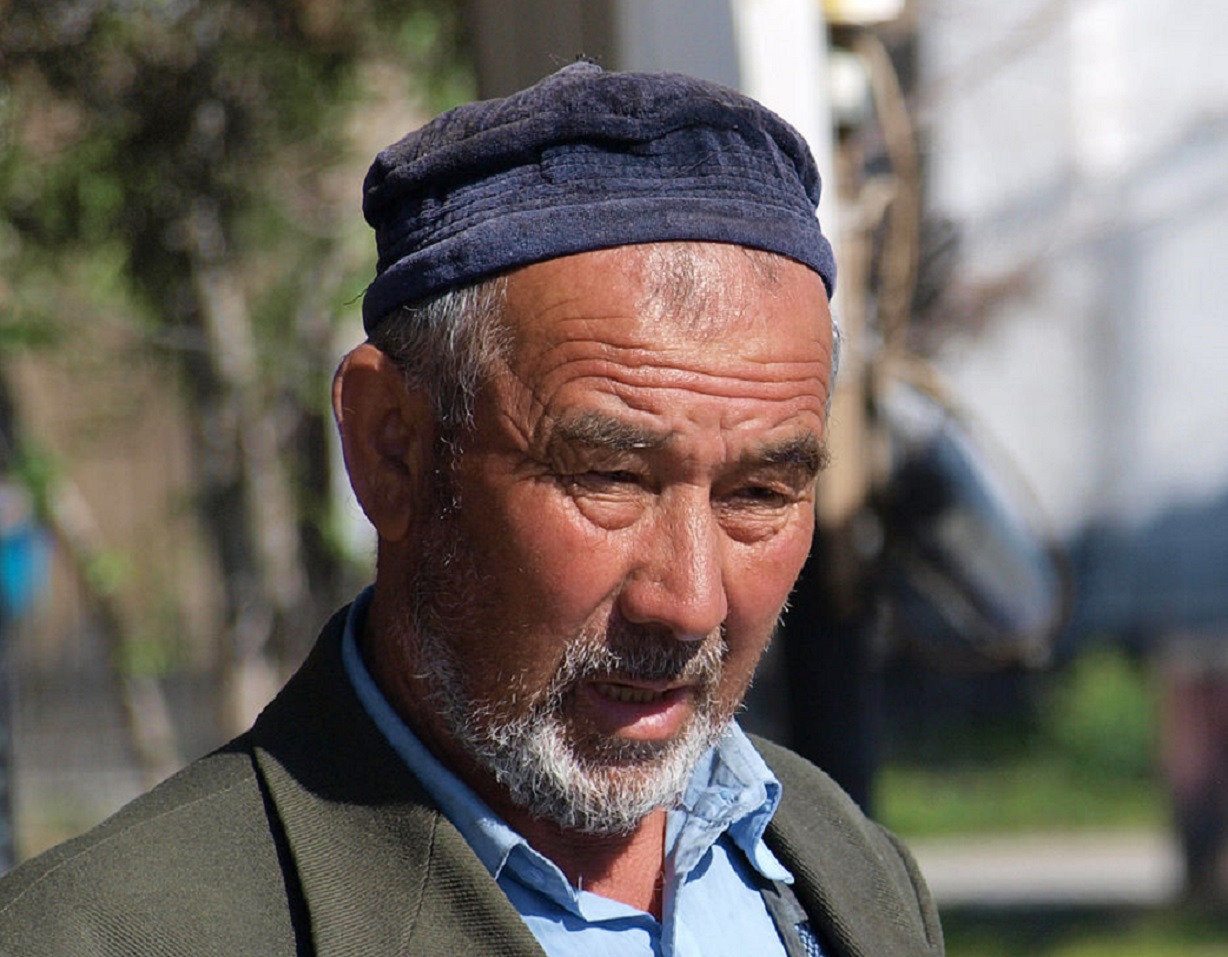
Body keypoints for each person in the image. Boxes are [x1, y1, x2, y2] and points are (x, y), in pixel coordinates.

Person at [0, 62, 943, 956]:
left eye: (760, 494)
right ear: (392, 449)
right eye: (607, 478)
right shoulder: (105, 935)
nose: (688, 601)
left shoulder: (847, 876)